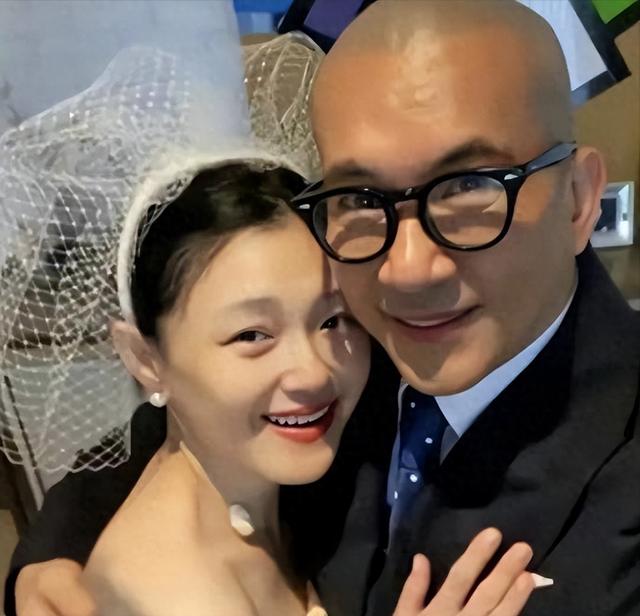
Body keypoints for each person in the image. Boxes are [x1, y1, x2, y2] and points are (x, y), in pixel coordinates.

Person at [5, 1, 640, 615]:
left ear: (579, 199)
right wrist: (55, 554)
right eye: (361, 197)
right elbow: (175, 423)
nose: (407, 270)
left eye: (470, 186)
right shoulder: (353, 342)